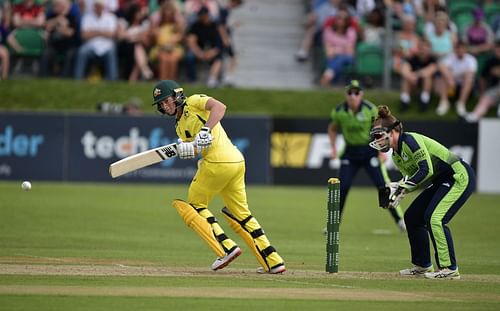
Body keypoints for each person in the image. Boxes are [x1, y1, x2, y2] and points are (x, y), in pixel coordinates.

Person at [151, 80, 286, 274]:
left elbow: (219, 107)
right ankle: (273, 261)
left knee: (195, 204)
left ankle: (226, 248)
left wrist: (206, 129)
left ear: (177, 95)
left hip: (218, 162)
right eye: (161, 104)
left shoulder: (194, 101)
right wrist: (189, 149)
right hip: (235, 162)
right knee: (241, 214)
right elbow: (199, 146)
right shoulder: (179, 127)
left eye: (167, 100)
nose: (165, 106)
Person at [369, 105, 475, 279]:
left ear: (393, 131)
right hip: (441, 180)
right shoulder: (396, 155)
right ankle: (423, 265)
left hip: (458, 175)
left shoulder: (410, 141)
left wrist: (403, 187)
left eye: (379, 135)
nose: (377, 140)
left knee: (435, 218)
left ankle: (449, 268)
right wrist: (398, 191)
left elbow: (426, 170)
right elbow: (414, 179)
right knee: (412, 217)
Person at [327, 80, 406, 232]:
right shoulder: (339, 111)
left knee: (383, 187)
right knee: (341, 188)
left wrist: (381, 152)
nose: (353, 96)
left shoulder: (370, 109)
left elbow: (378, 131)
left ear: (361, 94)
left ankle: (400, 220)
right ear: (346, 94)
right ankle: (333, 225)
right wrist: (333, 148)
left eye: (356, 92)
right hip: (350, 153)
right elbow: (332, 128)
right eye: (350, 92)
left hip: (370, 151)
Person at [398, 39, 438, 112]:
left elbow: (429, 70)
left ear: (429, 49)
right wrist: (410, 77)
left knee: (427, 77)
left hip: (430, 85)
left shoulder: (433, 59)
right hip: (413, 82)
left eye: (426, 48)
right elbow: (404, 69)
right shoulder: (412, 58)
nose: (423, 50)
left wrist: (415, 75)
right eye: (421, 48)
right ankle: (405, 102)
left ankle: (424, 102)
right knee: (405, 79)